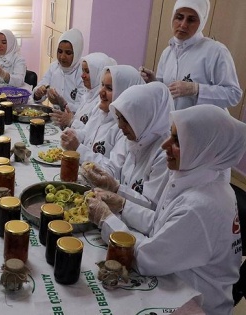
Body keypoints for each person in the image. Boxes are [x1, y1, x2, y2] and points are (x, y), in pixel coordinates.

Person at [87, 104, 246, 314]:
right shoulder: (197, 177)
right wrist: (122, 205)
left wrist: (106, 219)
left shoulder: (201, 205)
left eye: (177, 141)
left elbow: (147, 258)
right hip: (175, 276)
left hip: (194, 302)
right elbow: (161, 223)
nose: (165, 145)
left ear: (202, 147)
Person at [81, 82, 172, 210]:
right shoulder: (131, 138)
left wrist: (116, 189)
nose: (120, 125)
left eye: (126, 120)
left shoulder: (164, 153)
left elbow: (151, 208)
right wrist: (98, 174)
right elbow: (113, 168)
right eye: (118, 118)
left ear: (144, 118)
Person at [140, 0, 242, 110]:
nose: (183, 25)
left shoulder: (215, 51)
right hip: (172, 124)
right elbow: (166, 93)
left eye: (191, 20)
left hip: (203, 125)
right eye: (179, 17)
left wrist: (196, 89)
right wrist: (153, 82)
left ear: (201, 22)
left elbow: (234, 94)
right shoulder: (167, 52)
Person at [61, 65, 144, 164]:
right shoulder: (100, 109)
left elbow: (112, 170)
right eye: (102, 85)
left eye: (109, 88)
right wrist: (73, 135)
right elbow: (86, 133)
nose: (101, 92)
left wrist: (78, 149)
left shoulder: (126, 128)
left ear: (125, 93)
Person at [50, 52, 116, 129]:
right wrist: (63, 104)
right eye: (83, 71)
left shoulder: (103, 102)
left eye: (87, 72)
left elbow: (90, 134)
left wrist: (71, 121)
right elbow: (79, 116)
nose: (82, 76)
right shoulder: (88, 94)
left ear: (99, 74)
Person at [33, 28, 85, 110]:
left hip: (74, 120)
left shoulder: (84, 73)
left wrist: (61, 103)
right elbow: (41, 88)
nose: (62, 57)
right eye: (60, 51)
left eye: (68, 53)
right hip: (56, 116)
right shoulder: (54, 67)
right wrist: (38, 93)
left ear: (77, 52)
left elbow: (82, 108)